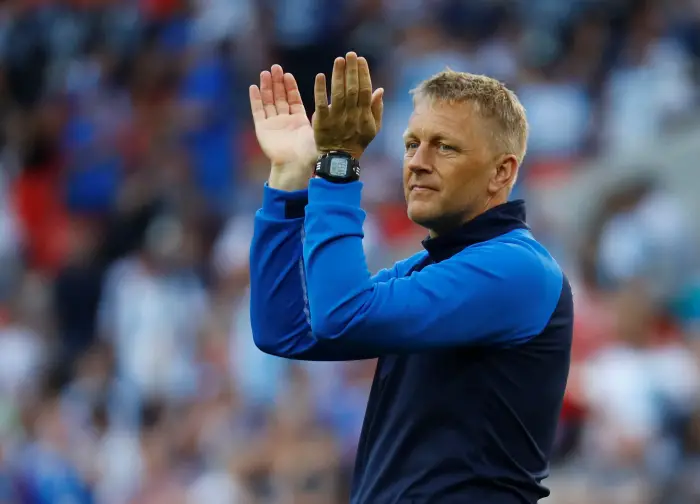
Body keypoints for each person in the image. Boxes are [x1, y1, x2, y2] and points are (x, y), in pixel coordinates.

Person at [248, 53, 573, 503]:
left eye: (445, 146)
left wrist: (338, 165)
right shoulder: (431, 268)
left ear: (503, 172)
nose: (417, 162)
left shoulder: (517, 270)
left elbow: (341, 316)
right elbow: (285, 331)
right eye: (410, 144)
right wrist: (288, 179)